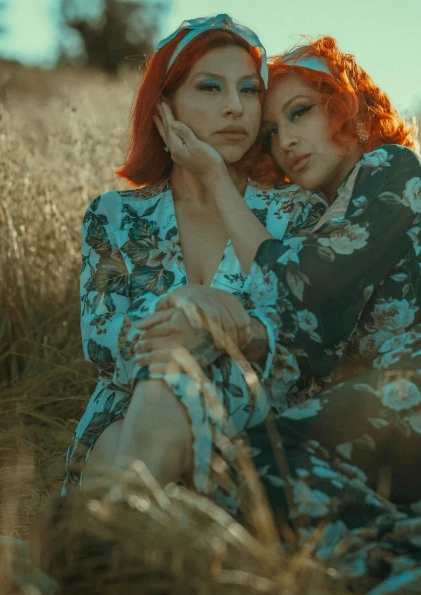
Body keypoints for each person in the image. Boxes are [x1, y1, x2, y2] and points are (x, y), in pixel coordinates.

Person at [155, 36, 421, 592]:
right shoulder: (329, 214)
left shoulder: (391, 170)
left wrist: (214, 179)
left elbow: (295, 288)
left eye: (300, 113)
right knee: (236, 472)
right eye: (272, 133)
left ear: (348, 107)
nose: (286, 140)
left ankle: (419, 574)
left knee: (264, 456)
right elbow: (299, 337)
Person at [63, 15, 326, 495]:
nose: (234, 108)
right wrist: (184, 318)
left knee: (167, 388)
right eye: (210, 88)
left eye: (249, 91)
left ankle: (69, 555)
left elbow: (301, 334)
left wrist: (202, 332)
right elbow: (101, 340)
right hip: (126, 418)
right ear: (164, 107)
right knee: (128, 426)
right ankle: (94, 546)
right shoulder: (114, 214)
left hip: (253, 431)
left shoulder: (298, 212)